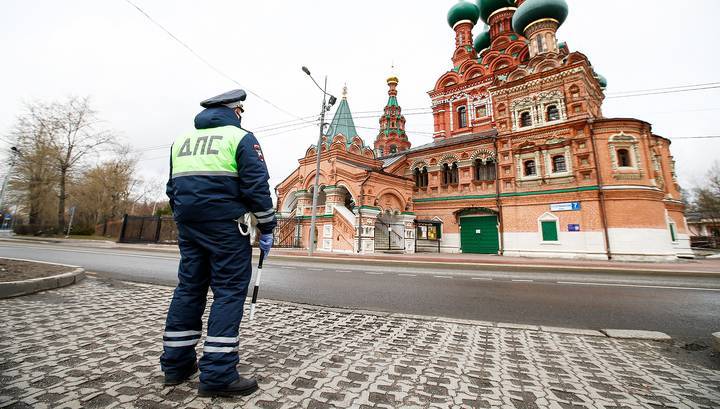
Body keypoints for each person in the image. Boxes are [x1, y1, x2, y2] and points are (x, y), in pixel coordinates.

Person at [161, 89, 276, 397]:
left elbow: (172, 187)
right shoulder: (240, 138)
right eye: (241, 111)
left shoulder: (181, 141)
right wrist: (267, 226)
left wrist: (184, 218)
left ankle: (176, 365)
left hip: (189, 226)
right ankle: (218, 374)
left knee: (188, 288)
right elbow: (256, 186)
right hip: (227, 226)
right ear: (235, 110)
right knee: (228, 291)